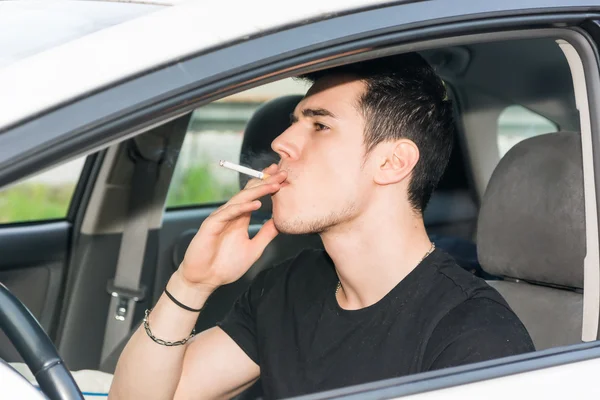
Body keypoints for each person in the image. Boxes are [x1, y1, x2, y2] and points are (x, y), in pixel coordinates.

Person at [109, 53, 534, 400]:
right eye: (295, 122)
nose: (281, 142)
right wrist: (191, 283)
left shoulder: (473, 337)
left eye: (319, 125)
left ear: (392, 163)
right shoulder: (289, 288)